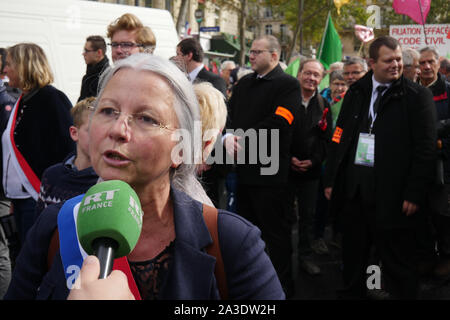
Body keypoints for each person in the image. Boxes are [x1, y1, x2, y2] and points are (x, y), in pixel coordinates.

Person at [4, 53, 284, 300]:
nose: (118, 129)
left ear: (182, 149)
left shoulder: (232, 241)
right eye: (108, 111)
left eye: (146, 118)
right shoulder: (54, 227)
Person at [324, 36, 437, 299]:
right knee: (353, 259)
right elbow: (340, 136)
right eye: (389, 60)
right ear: (372, 62)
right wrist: (332, 179)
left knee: (398, 265)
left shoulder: (416, 96)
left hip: (394, 196)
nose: (396, 65)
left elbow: (426, 148)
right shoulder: (357, 92)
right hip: (356, 193)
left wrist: (414, 192)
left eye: (399, 59)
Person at [224, 35, 301, 297]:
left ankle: (282, 290)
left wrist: (240, 138)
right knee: (246, 237)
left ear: (275, 56)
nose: (251, 56)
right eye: (251, 52)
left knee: (276, 239)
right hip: (243, 174)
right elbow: (229, 115)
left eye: (257, 52)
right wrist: (227, 136)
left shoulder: (288, 85)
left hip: (272, 178)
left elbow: (280, 123)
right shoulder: (245, 83)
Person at [2, 43, 74, 246]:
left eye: (9, 64)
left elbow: (68, 150)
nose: (5, 70)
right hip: (20, 197)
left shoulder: (52, 99)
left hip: (38, 198)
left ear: (25, 65)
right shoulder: (22, 100)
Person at [288, 58, 332, 275]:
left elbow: (327, 139)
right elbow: (275, 133)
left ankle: (305, 258)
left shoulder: (324, 106)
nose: (311, 78)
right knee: (283, 216)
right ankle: (281, 259)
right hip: (284, 170)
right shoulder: (286, 100)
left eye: (316, 75)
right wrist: (288, 158)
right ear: (299, 74)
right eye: (308, 73)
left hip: (311, 173)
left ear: (321, 79)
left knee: (307, 217)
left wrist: (314, 161)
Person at [176, 37, 227, 207]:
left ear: (188, 55)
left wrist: (207, 156)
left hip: (207, 161)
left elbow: (218, 122)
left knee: (209, 206)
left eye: (178, 54)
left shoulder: (215, 80)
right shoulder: (180, 79)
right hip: (182, 155)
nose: (176, 59)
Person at [35, 97, 99, 217]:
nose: (100, 136)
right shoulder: (52, 176)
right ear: (74, 133)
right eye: (92, 130)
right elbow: (39, 228)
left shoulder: (112, 181)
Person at [418, 46, 450, 278]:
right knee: (420, 215)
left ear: (439, 64)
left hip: (443, 167)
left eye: (431, 62)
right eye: (422, 63)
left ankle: (446, 257)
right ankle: (426, 256)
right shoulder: (410, 91)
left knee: (442, 215)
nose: (427, 66)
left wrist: (437, 139)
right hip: (416, 168)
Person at [78, 35, 110, 101]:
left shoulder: (108, 77)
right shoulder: (87, 77)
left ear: (99, 52)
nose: (83, 54)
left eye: (86, 51)